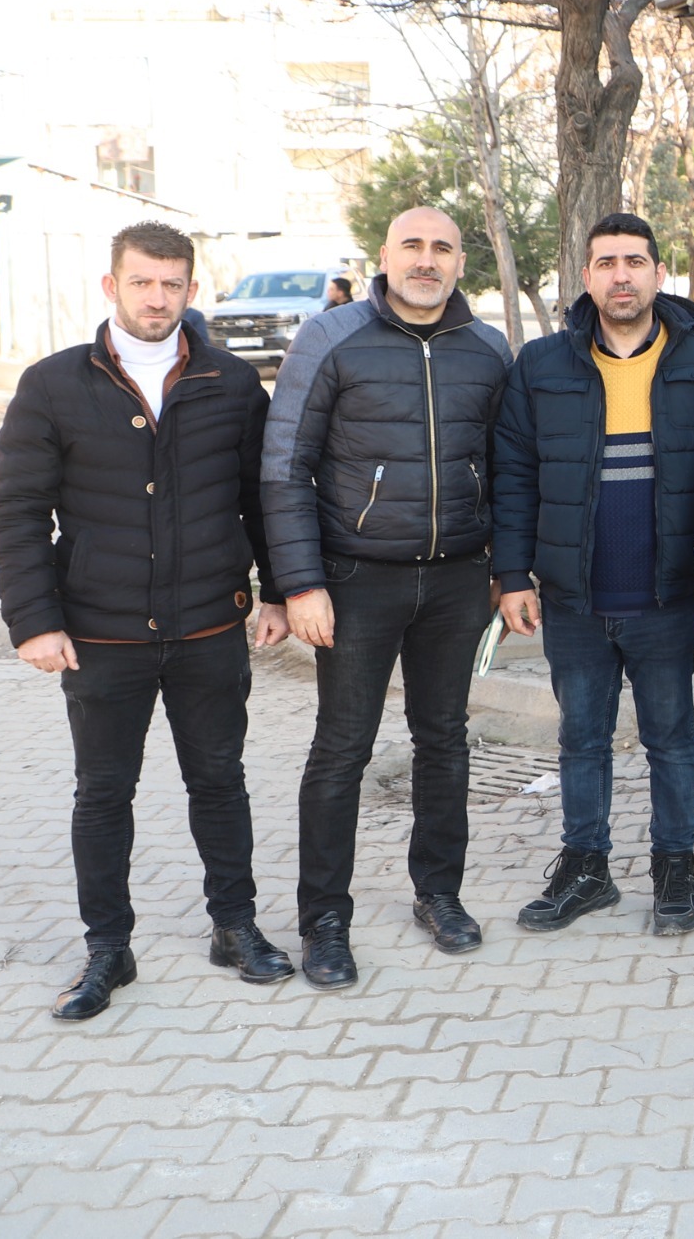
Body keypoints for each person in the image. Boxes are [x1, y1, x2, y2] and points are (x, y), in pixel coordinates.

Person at [0, 222, 294, 1020]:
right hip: (101, 634)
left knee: (220, 783)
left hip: (206, 628)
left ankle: (234, 927)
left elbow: (260, 500)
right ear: (111, 287)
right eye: (142, 283)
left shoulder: (231, 382)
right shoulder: (53, 385)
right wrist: (33, 620)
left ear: (191, 291)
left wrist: (277, 592)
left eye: (172, 285)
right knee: (103, 793)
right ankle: (108, 950)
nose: (157, 298)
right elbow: (18, 512)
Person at [262, 206, 512, 988]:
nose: (426, 260)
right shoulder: (330, 338)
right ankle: (324, 920)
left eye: (442, 247)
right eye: (413, 245)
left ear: (461, 262)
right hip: (356, 580)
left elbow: (509, 469)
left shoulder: (488, 349)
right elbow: (284, 467)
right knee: (343, 748)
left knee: (445, 740)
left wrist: (510, 573)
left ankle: (438, 893)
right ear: (384, 256)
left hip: (457, 580)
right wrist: (301, 583)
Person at [494, 213, 694, 937]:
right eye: (606, 262)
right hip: (573, 596)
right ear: (587, 276)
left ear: (659, 275)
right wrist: (513, 575)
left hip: (664, 593)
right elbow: (513, 474)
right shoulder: (542, 366)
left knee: (672, 740)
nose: (621, 274)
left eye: (634, 261)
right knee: (581, 740)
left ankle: (675, 872)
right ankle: (586, 870)